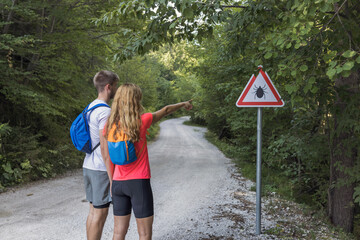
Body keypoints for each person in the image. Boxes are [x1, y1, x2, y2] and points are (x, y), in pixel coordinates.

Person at [102, 83, 192, 240]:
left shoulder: (109, 126)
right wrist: (183, 104)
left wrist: (112, 182)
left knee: (118, 233)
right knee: (144, 234)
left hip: (117, 183)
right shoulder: (142, 121)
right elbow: (166, 110)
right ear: (136, 100)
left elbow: (108, 157)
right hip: (138, 182)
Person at [83, 70, 119, 240]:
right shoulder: (105, 111)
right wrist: (112, 179)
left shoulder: (90, 106)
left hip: (88, 165)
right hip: (99, 169)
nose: (116, 91)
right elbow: (105, 149)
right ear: (108, 87)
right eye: (115, 87)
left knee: (93, 211)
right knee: (100, 212)